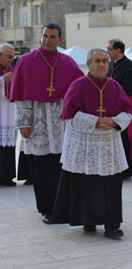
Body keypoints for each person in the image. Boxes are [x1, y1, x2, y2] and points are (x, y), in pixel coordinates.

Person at [51, 48, 132, 239]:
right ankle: (88, 220)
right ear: (88, 64)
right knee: (86, 183)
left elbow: (127, 111)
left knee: (110, 184)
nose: (102, 64)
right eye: (97, 61)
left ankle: (112, 225)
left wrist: (114, 122)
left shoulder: (114, 86)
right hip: (84, 144)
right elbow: (69, 115)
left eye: (105, 61)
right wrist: (94, 121)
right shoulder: (78, 85)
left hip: (108, 142)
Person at [9, 24, 83, 223]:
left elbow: (78, 93)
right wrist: (24, 123)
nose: (47, 40)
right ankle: (47, 209)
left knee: (61, 167)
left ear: (60, 39)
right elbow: (21, 97)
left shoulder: (68, 63)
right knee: (41, 169)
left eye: (52, 37)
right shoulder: (25, 61)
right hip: (38, 124)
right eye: (45, 36)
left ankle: (63, 207)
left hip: (61, 125)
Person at [107, 39, 132, 180]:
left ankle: (127, 170)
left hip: (125, 108)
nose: (108, 51)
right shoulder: (110, 64)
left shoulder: (130, 66)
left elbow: (129, 89)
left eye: (110, 49)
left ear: (118, 50)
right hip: (111, 108)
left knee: (125, 138)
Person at [0, 43, 16, 186]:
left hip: (9, 113)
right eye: (9, 57)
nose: (11, 59)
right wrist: (2, 80)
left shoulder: (11, 69)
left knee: (9, 143)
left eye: (13, 56)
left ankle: (7, 176)